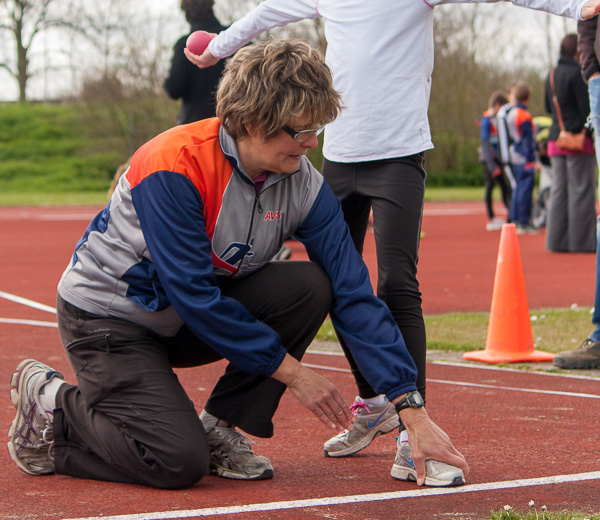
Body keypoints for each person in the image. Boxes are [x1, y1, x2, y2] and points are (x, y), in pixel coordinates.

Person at [185, 0, 600, 470]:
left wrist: (579, 2)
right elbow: (267, 14)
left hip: (398, 156)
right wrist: (216, 47)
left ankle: (413, 426)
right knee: (335, 286)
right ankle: (376, 401)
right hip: (336, 161)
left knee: (395, 286)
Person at [8, 40, 468, 490]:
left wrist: (411, 408)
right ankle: (54, 406)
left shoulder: (304, 185)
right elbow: (195, 297)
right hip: (111, 323)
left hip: (186, 319)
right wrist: (294, 374)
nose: (311, 144)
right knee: (176, 462)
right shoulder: (175, 166)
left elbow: (353, 291)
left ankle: (221, 426)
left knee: (311, 284)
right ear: (252, 122)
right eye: (300, 131)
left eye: (318, 130)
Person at [554, 0, 600, 368]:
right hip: (583, 122)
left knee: (571, 196)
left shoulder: (555, 71)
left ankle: (564, 240)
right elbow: (587, 1)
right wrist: (594, 73)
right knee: (585, 198)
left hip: (565, 136)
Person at [544, 33, 596, 253]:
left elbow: (548, 107)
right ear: (577, 51)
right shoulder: (579, 73)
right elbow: (587, 110)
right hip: (577, 141)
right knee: (581, 191)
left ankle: (556, 242)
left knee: (558, 192)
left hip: (556, 140)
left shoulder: (551, 74)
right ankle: (582, 244)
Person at [164, 0, 227, 124]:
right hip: (235, 122)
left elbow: (174, 89)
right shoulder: (233, 38)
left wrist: (167, 82)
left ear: (186, 14)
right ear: (211, 7)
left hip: (196, 125)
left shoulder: (183, 45)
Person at [504, 83, 538, 234]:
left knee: (518, 189)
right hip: (523, 156)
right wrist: (531, 159)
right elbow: (527, 140)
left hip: (514, 153)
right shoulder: (524, 115)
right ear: (528, 98)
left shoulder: (511, 113)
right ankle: (524, 222)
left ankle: (515, 219)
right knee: (525, 190)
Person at [478, 91, 511, 230]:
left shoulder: (496, 120)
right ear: (498, 106)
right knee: (491, 186)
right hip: (490, 160)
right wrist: (492, 166)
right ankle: (491, 218)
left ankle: (511, 214)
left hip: (498, 159)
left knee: (505, 187)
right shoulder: (487, 120)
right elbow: (485, 144)